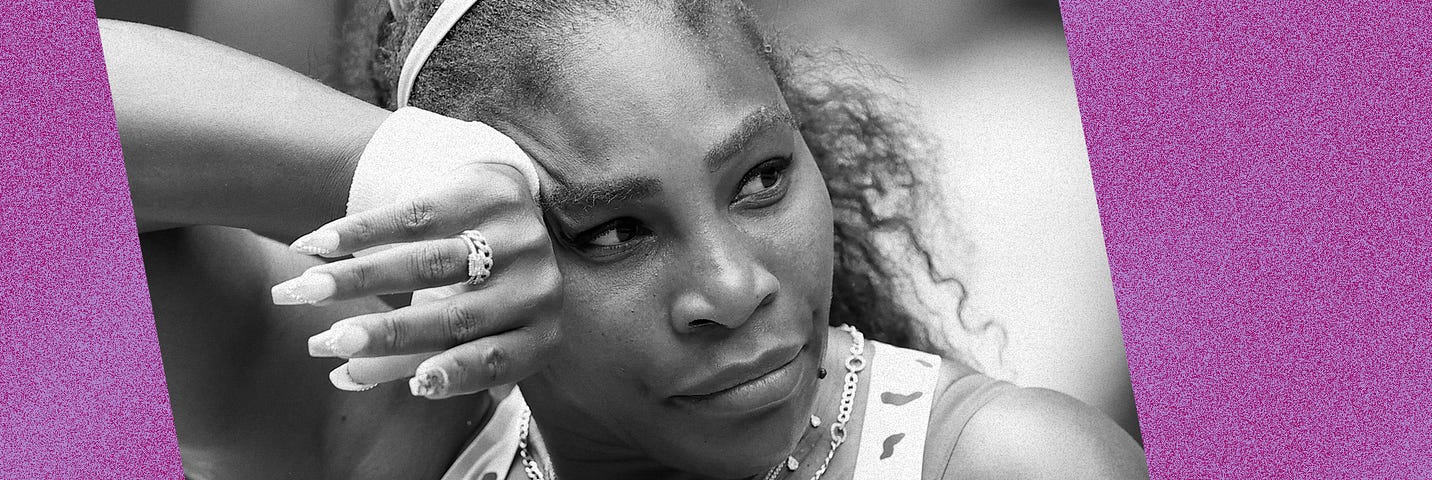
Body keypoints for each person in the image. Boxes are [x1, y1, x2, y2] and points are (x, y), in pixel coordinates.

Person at [102, 0, 1149, 478]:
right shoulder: (379, 422)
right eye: (611, 230)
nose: (734, 288)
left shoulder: (1008, 462)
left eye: (762, 179)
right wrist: (376, 167)